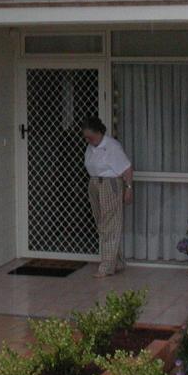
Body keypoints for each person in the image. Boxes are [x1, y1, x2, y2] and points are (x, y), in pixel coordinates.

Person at [80, 115, 133, 278]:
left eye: (90, 136)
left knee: (110, 224)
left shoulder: (111, 146)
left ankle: (107, 266)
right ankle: (117, 261)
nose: (88, 140)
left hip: (109, 184)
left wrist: (128, 189)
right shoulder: (91, 147)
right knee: (102, 224)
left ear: (98, 132)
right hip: (95, 183)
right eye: (86, 137)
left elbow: (127, 168)